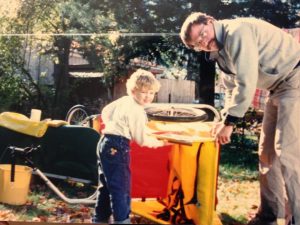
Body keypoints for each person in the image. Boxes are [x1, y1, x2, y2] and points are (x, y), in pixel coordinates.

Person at [180, 12, 300, 225]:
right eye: (198, 43)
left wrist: (231, 122)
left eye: (203, 33)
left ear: (210, 21)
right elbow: (230, 88)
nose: (204, 42)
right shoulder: (220, 53)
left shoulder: (237, 31)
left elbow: (246, 81)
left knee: (288, 153)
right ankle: (269, 216)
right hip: (277, 88)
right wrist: (226, 118)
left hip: (294, 78)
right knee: (267, 152)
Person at [93, 69, 168, 224]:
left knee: (106, 186)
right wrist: (160, 143)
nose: (148, 96)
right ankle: (122, 221)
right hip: (117, 147)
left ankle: (99, 219)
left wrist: (114, 125)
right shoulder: (137, 110)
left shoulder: (124, 100)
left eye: (152, 93)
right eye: (144, 92)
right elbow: (140, 139)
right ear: (134, 91)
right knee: (121, 189)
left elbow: (105, 112)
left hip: (104, 142)